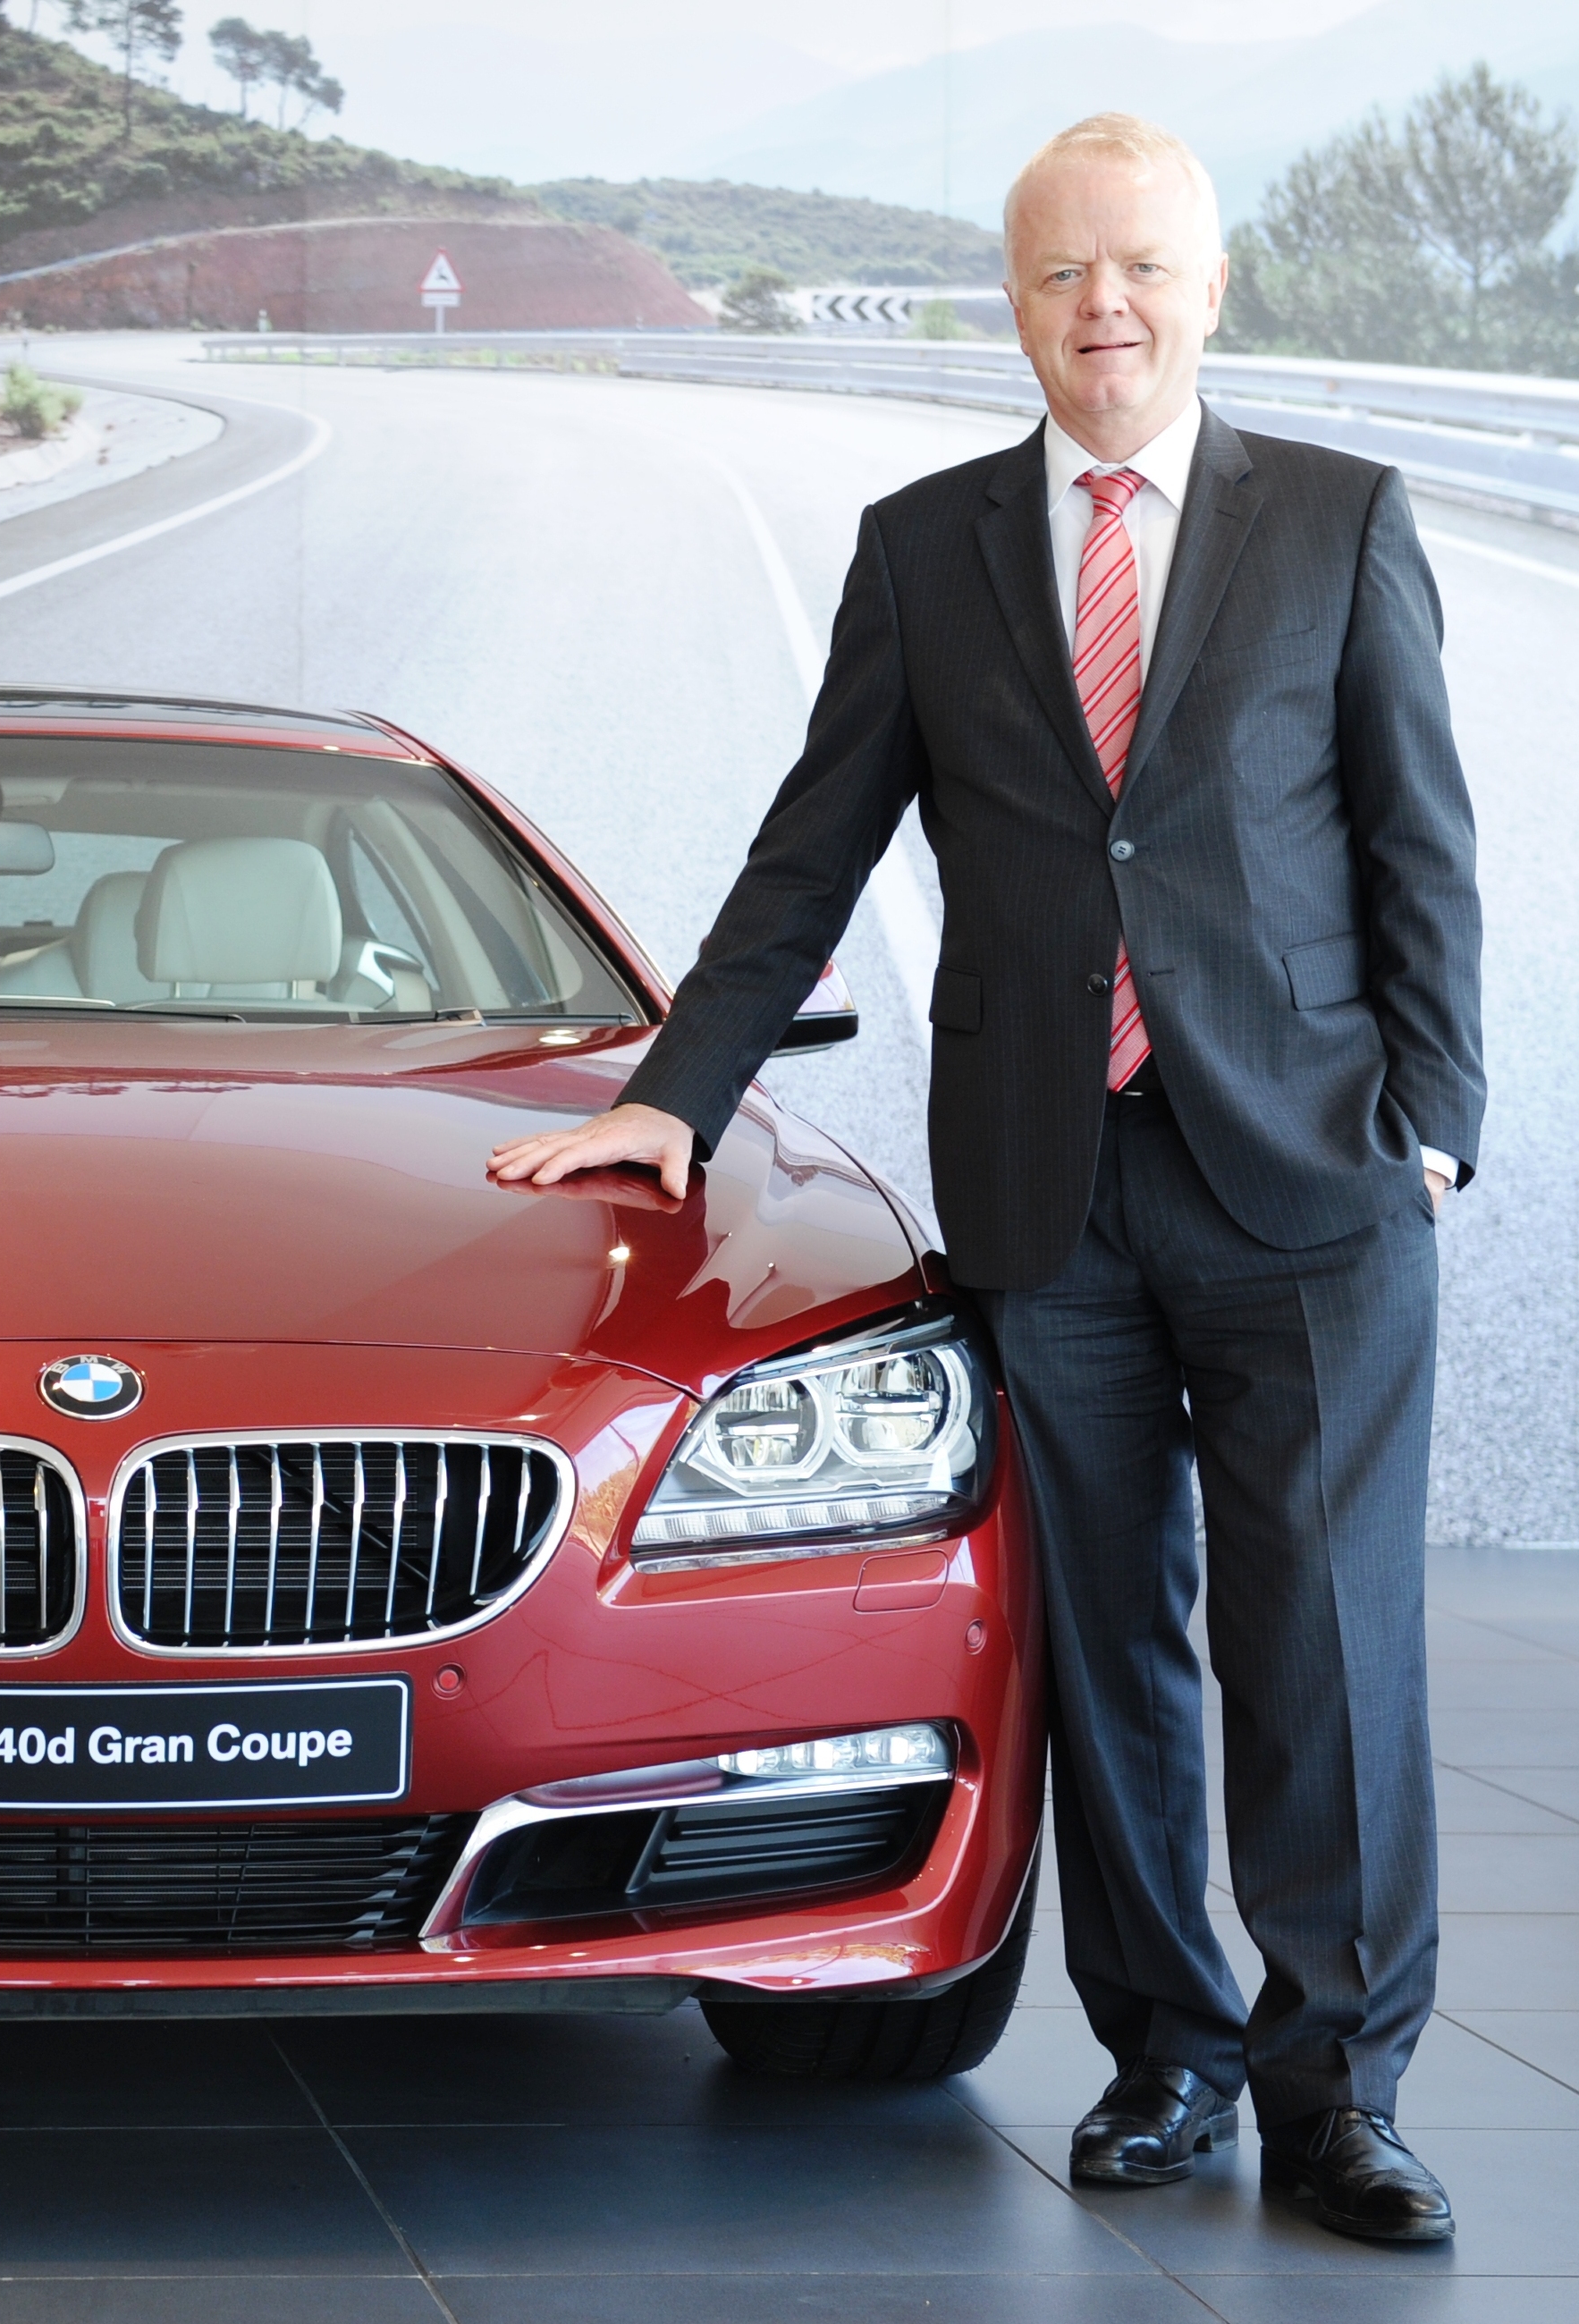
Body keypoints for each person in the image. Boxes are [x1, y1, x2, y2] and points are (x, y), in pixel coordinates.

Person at [489, 114, 1481, 2244]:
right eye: (1055, 273)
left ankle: (1341, 2088)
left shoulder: (1334, 521)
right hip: (1048, 1189)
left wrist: (1432, 1117)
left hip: (1305, 1182)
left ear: (1207, 288)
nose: (1098, 306)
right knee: (1104, 1643)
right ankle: (1165, 2055)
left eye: (1136, 267)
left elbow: (1417, 843)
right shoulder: (921, 547)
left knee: (1325, 1651)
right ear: (1012, 303)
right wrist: (672, 1096)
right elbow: (807, 851)